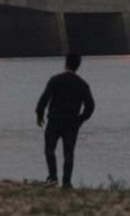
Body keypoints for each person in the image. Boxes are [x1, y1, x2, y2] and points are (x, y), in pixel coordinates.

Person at [34, 52, 95, 188]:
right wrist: (80, 120)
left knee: (50, 149)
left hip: (54, 120)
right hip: (72, 123)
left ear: (65, 63)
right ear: (78, 66)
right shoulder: (82, 84)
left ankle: (53, 177)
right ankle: (66, 182)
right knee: (68, 153)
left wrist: (39, 114)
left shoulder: (55, 80)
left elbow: (44, 99)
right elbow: (90, 106)